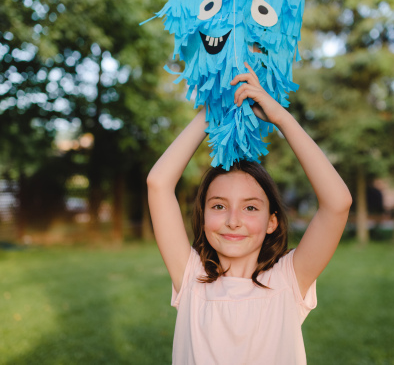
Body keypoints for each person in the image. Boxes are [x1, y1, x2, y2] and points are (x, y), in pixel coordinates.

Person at [147, 62, 352, 364]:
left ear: (272, 222)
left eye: (250, 207)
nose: (233, 220)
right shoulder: (191, 277)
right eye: (218, 205)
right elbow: (158, 183)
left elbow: (337, 203)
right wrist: (212, 109)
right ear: (203, 218)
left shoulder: (288, 281)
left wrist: (281, 118)